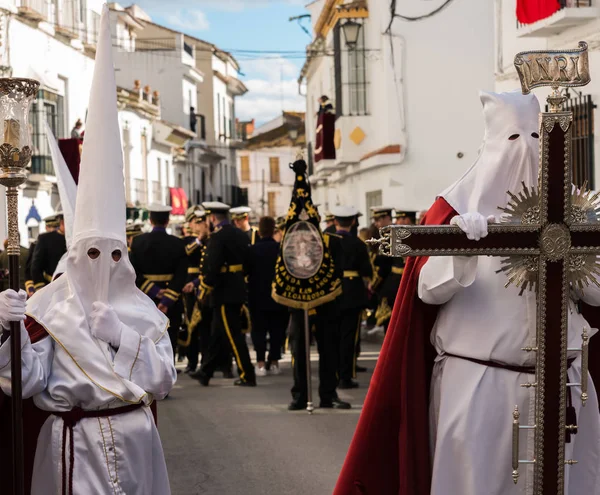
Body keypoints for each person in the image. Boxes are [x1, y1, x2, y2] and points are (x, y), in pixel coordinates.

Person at [334, 92, 600, 495]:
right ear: (490, 145)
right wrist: (462, 251)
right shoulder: (453, 210)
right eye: (513, 138)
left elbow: (595, 297)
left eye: (533, 136)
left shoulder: (571, 214)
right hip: (479, 386)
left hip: (563, 388)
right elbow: (426, 292)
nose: (524, 150)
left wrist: (577, 264)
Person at [0, 8, 176, 493]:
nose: (104, 264)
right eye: (92, 253)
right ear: (74, 255)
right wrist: (7, 329)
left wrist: (121, 335)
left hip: (138, 441)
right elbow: (24, 382)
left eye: (114, 254)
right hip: (72, 448)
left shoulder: (143, 312)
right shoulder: (45, 309)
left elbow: (162, 380)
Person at [191, 201, 256, 387]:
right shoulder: (240, 234)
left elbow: (212, 267)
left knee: (233, 335)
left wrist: (205, 289)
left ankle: (247, 374)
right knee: (217, 333)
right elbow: (249, 263)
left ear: (212, 218)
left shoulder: (218, 238)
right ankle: (206, 371)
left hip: (223, 291)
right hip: (236, 287)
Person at [129, 203, 188, 357]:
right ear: (167, 221)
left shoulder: (137, 242)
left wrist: (154, 291)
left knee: (146, 340)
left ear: (150, 220)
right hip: (172, 301)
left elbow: (133, 273)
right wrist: (167, 300)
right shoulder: (178, 243)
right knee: (171, 339)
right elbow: (181, 275)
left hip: (145, 299)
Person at [331, 206, 372, 389]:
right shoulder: (358, 244)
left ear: (334, 221)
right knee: (349, 338)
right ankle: (345, 377)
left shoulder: (328, 243)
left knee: (332, 336)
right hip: (353, 293)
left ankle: (332, 374)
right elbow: (366, 271)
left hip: (333, 291)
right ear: (353, 222)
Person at [245, 216, 289, 376]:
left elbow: (246, 273)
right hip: (278, 296)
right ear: (273, 230)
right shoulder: (280, 248)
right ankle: (275, 361)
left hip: (257, 296)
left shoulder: (251, 250)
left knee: (259, 330)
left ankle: (261, 363)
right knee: (277, 329)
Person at [181, 206, 208, 374]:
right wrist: (198, 239)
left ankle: (205, 362)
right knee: (190, 324)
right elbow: (186, 251)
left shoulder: (208, 240)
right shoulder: (188, 240)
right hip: (189, 284)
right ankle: (192, 362)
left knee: (205, 326)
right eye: (194, 221)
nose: (197, 225)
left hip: (203, 283)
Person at [368, 206, 394, 330]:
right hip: (384, 285)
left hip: (390, 283)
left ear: (387, 218)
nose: (376, 223)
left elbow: (385, 265)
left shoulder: (392, 235)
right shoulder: (382, 235)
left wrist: (374, 284)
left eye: (379, 220)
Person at [30, 213, 67, 292]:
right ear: (62, 222)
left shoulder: (76, 239)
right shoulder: (46, 239)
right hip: (51, 286)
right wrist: (40, 288)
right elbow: (36, 267)